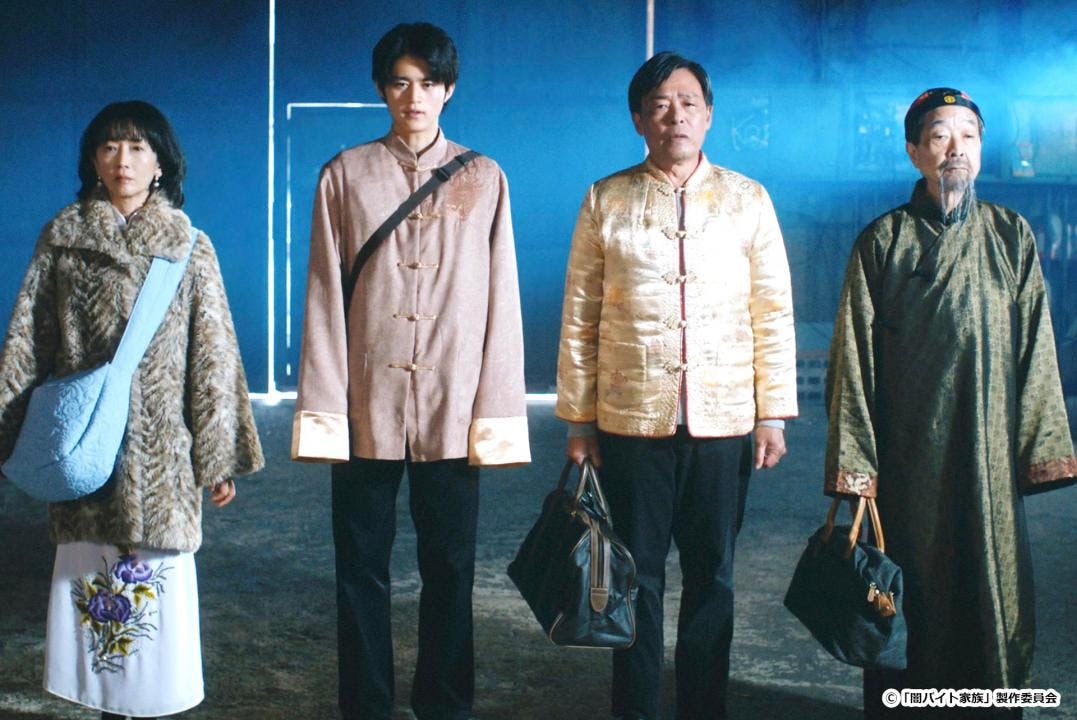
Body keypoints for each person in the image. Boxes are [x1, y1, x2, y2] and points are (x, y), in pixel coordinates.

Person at [291, 22, 529, 720]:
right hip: (366, 401)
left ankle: (445, 704)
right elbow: (323, 296)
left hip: (450, 406)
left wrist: (494, 412)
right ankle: (365, 705)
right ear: (380, 89)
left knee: (450, 568)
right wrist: (326, 408)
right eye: (400, 82)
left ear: (448, 89)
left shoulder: (484, 177)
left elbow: (502, 301)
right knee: (359, 568)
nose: (413, 96)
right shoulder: (344, 175)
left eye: (428, 82)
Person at [0, 101, 264, 719]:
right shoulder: (63, 239)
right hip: (85, 448)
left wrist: (217, 456)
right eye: (110, 147)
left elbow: (213, 356)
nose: (123, 160)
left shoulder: (189, 248)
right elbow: (26, 341)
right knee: (91, 594)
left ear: (161, 163)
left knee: (154, 606)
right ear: (93, 161)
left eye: (138, 147)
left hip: (161, 455)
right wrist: (9, 433)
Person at [556, 51, 798, 720]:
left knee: (713, 576)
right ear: (638, 118)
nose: (675, 116)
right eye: (659, 105)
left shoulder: (748, 199)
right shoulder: (606, 198)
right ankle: (635, 710)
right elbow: (579, 313)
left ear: (709, 114)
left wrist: (772, 413)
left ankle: (703, 707)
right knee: (634, 575)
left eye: (688, 102)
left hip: (724, 421)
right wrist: (579, 420)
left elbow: (771, 310)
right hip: (630, 420)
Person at [825, 87, 1076, 719]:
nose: (955, 147)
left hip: (989, 457)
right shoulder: (884, 241)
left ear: (981, 149)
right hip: (908, 462)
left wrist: (1037, 448)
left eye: (968, 134)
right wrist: (858, 467)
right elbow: (853, 359)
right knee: (912, 596)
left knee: (993, 589)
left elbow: (1036, 349)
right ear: (915, 151)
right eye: (939, 135)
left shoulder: (1010, 235)